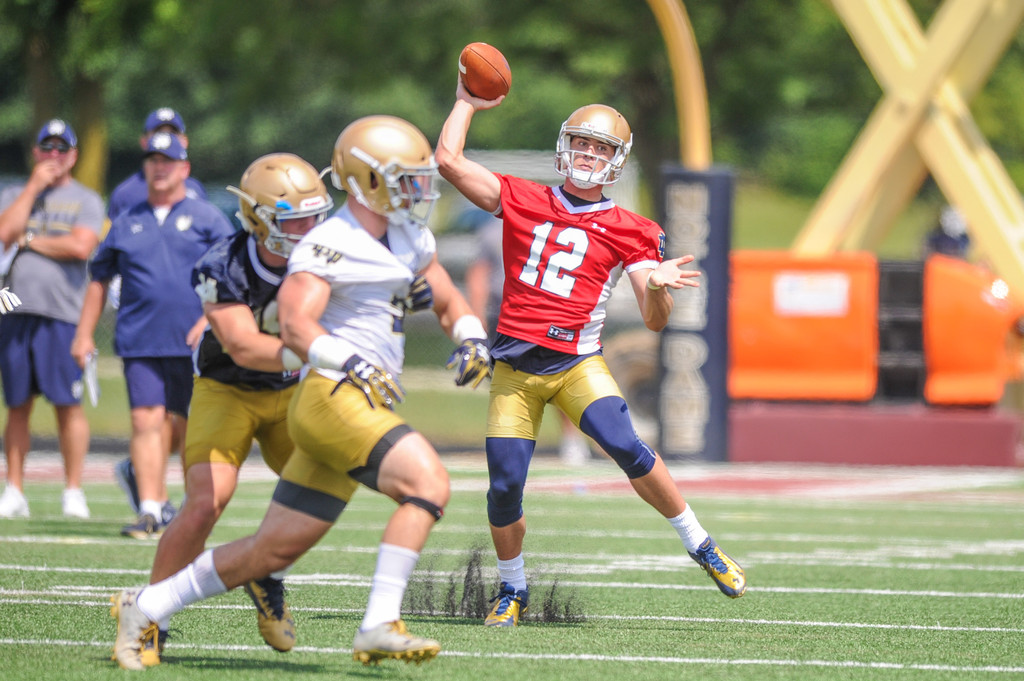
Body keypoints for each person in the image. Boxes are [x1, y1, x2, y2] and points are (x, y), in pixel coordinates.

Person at [109, 114, 490, 670]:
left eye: (419, 178)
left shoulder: (410, 237)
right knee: (427, 483)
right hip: (326, 393)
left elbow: (450, 299)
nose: (419, 190)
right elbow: (294, 325)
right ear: (366, 181)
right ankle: (380, 623)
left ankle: (145, 606)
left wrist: (472, 335)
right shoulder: (329, 244)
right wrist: (350, 357)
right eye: (406, 178)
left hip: (327, 393)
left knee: (273, 550)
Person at [436, 86, 747, 627]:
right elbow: (448, 161)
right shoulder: (523, 196)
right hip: (514, 369)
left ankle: (700, 544)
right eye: (581, 143)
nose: (588, 154)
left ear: (616, 161)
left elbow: (655, 320)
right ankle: (513, 589)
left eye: (600, 149)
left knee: (626, 445)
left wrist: (658, 286)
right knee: (505, 484)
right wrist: (467, 101)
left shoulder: (634, 229)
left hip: (578, 363)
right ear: (564, 147)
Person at [142, 152, 333, 656]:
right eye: (295, 221)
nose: (311, 229)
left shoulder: (334, 255)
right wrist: (330, 351)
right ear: (258, 219)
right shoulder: (220, 264)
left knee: (323, 493)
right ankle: (148, 618)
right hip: (227, 391)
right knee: (206, 503)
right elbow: (246, 346)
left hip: (294, 392)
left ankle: (266, 572)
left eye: (316, 216)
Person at [72, 132, 234, 538]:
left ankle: (190, 507)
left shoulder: (207, 218)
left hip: (194, 342)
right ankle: (149, 509)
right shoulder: (127, 220)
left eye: (168, 160)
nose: (159, 167)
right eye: (152, 159)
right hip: (140, 338)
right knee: (145, 420)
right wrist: (83, 334)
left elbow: (231, 277)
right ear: (144, 166)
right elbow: (99, 278)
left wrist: (210, 321)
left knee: (188, 427)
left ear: (184, 168)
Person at [107, 107, 207, 523]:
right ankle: (155, 501)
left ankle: (142, 475)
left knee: (182, 419)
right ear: (144, 141)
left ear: (184, 143)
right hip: (143, 313)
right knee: (149, 414)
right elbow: (112, 246)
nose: (165, 140)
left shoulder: (196, 191)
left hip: (189, 319)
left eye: (173, 132)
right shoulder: (128, 192)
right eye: (157, 133)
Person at [0, 119, 104, 519]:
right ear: (36, 153)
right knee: (16, 404)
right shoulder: (14, 193)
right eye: (48, 149)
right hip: (10, 305)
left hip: (62, 311)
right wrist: (32, 188)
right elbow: (4, 234)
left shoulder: (86, 199)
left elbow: (80, 246)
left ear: (74, 156)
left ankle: (73, 490)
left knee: (67, 405)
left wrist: (30, 240)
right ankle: (14, 490)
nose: (54, 157)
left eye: (62, 150)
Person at [463, 207, 593, 465]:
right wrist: (477, 319)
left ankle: (572, 440)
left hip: (543, 312)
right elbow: (479, 273)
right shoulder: (493, 230)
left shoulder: (551, 229)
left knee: (558, 377)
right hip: (504, 312)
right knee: (508, 382)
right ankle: (508, 439)